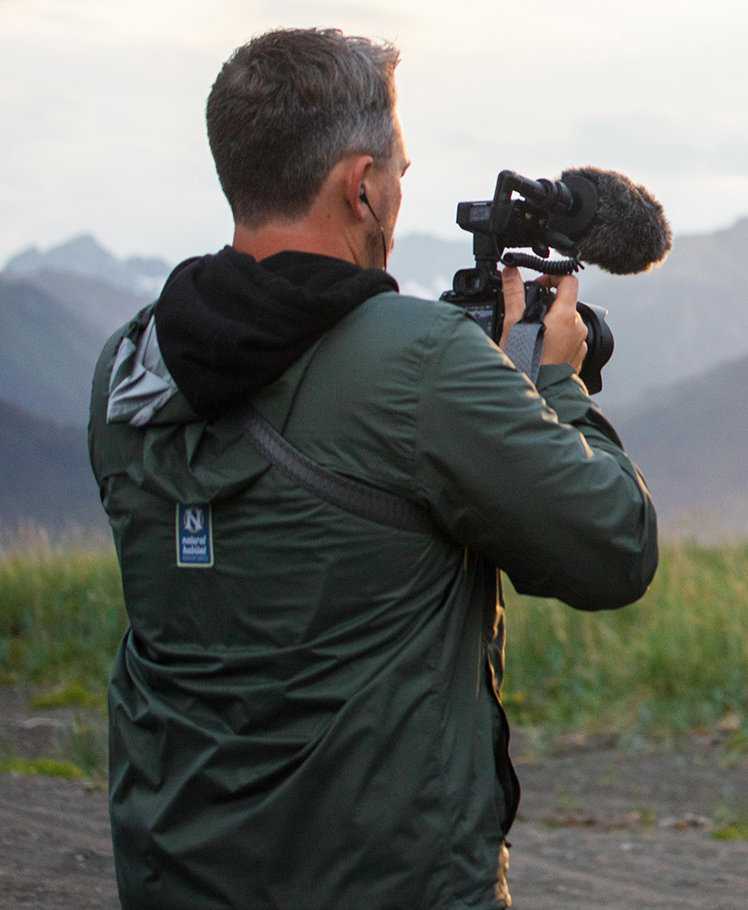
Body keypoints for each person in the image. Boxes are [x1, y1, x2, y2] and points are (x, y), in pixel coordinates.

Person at [86, 28, 658, 909]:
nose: (397, 193)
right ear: (361, 186)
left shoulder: (130, 363)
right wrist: (557, 383)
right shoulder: (419, 365)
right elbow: (615, 547)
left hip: (178, 874)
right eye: (398, 172)